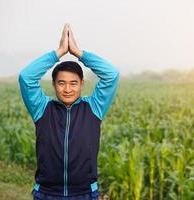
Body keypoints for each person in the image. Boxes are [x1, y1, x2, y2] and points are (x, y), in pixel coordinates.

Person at [18, 23, 120, 200]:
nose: (67, 89)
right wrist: (58, 53)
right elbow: (26, 77)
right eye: (61, 83)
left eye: (73, 83)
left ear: (82, 84)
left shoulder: (94, 107)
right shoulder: (42, 108)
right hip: (46, 194)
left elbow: (112, 75)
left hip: (85, 194)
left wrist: (78, 53)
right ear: (53, 85)